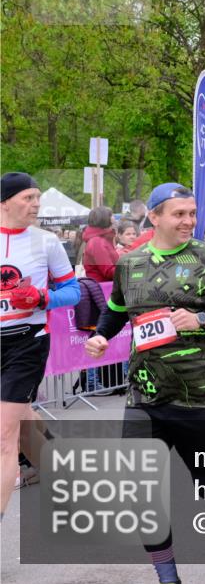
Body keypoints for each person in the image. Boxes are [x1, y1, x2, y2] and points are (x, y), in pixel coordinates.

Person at [84, 183, 205, 584]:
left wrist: (203, 319)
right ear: (154, 217)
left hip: (202, 397)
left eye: (192, 213)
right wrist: (101, 335)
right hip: (145, 394)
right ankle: (167, 575)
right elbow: (117, 311)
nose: (188, 221)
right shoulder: (130, 262)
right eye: (179, 214)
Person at [1, 172, 80, 518]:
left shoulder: (47, 242)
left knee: (5, 434)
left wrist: (41, 297)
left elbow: (73, 293)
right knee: (22, 420)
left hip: (27, 343)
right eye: (27, 198)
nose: (36, 204)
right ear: (4, 202)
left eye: (37, 197)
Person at [81, 206, 119, 282]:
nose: (114, 217)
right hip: (103, 289)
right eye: (111, 215)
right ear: (105, 218)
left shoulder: (101, 239)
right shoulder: (97, 242)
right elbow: (108, 271)